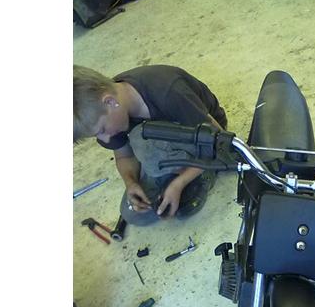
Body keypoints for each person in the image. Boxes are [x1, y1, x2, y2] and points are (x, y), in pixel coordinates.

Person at [73, 64, 228, 224]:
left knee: (141, 139)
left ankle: (203, 172)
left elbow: (220, 141)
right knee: (132, 213)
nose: (105, 139)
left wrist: (179, 183)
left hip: (204, 139)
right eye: (97, 135)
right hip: (163, 146)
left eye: (102, 130)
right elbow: (123, 156)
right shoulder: (109, 108)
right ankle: (174, 172)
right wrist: (131, 183)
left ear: (110, 102)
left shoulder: (169, 92)